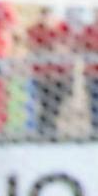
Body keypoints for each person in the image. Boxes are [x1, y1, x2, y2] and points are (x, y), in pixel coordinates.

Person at [26, 8, 74, 140]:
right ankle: (45, 131)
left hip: (61, 74)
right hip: (43, 74)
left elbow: (67, 48)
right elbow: (33, 47)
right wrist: (52, 49)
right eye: (45, 15)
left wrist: (52, 49)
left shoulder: (64, 28)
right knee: (44, 102)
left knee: (57, 103)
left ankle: (52, 129)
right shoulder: (35, 29)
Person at [80, 10, 98, 137]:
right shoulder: (88, 30)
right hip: (92, 72)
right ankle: (95, 128)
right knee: (94, 101)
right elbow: (81, 46)